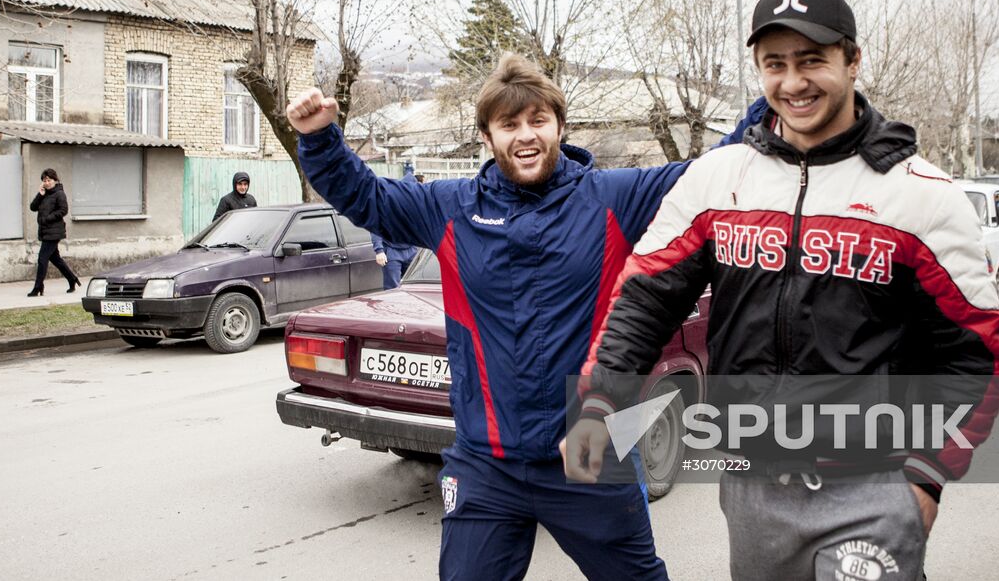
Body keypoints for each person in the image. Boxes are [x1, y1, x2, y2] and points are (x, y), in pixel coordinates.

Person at [565, 0, 999, 581]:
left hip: (872, 488)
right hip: (752, 484)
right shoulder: (717, 178)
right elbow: (645, 299)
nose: (793, 82)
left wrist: (926, 476)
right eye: (775, 64)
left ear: (852, 60)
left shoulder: (921, 194)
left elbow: (975, 350)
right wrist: (601, 401)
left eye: (812, 61)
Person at [286, 55, 767, 581]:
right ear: (487, 136)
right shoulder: (451, 208)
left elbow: (712, 171)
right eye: (509, 124)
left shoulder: (612, 198)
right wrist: (319, 138)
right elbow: (369, 197)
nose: (525, 135)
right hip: (486, 462)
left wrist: (777, 89)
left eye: (538, 120)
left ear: (560, 125)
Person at [28, 168, 79, 296]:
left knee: (42, 258)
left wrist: (47, 218)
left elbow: (63, 210)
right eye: (44, 180)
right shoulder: (44, 194)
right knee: (55, 259)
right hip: (45, 231)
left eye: (49, 180)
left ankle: (38, 287)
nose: (47, 182)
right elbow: (32, 207)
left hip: (54, 231)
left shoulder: (59, 194)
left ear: (55, 180)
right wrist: (40, 194)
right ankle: (72, 279)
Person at [371, 166, 419, 289]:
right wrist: (379, 251)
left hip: (411, 251)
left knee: (413, 287)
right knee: (392, 289)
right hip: (392, 252)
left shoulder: (415, 205)